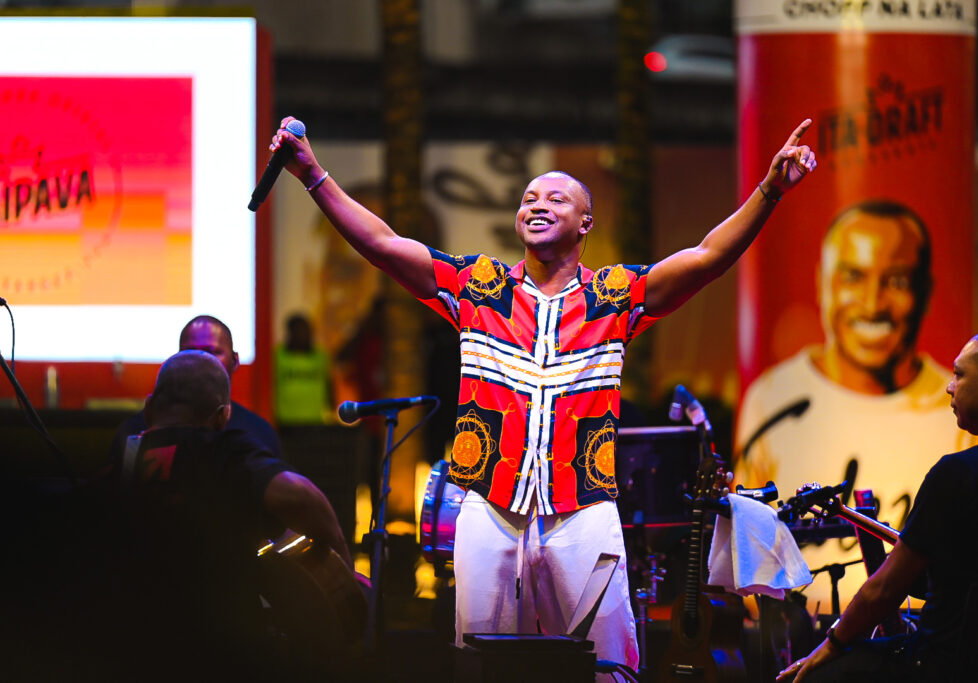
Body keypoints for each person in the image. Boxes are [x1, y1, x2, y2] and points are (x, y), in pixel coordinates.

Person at [270, 115, 817, 673]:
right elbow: (384, 245)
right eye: (530, 197)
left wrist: (769, 190)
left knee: (607, 666)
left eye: (557, 199)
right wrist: (312, 172)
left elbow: (705, 258)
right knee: (482, 665)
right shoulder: (477, 288)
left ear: (585, 223)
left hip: (582, 509)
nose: (538, 204)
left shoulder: (614, 298)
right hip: (489, 505)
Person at [734, 200, 976, 611]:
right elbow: (748, 559)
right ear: (823, 283)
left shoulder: (959, 411)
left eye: (896, 280)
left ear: (925, 292)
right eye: (853, 277)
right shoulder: (773, 399)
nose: (872, 303)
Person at [777, 328, 978, 682]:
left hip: (944, 668)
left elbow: (883, 591)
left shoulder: (959, 473)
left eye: (959, 374)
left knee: (816, 675)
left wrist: (830, 645)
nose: (949, 387)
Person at [107, 350, 361, 681]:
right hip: (222, 652)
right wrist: (344, 572)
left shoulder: (128, 453)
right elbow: (301, 497)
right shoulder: (221, 450)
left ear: (150, 407)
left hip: (136, 648)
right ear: (222, 416)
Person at [111, 314, 282, 459]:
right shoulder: (134, 430)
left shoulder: (259, 433)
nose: (201, 359)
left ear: (235, 361)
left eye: (211, 352)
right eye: (191, 351)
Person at [274, 312, 333, 425]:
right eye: (299, 331)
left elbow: (328, 384)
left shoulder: (321, 356)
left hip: (316, 420)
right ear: (290, 332)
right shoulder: (278, 356)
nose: (303, 334)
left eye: (306, 330)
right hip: (285, 421)